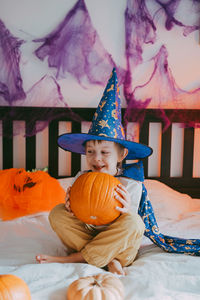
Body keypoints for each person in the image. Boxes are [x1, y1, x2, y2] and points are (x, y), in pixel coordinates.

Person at [36, 68, 153, 275]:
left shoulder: (131, 184)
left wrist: (127, 210)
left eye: (104, 152)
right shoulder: (82, 178)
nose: (96, 158)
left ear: (121, 155)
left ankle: (77, 258)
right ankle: (106, 260)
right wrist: (72, 208)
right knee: (57, 213)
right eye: (90, 151)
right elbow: (80, 217)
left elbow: (130, 224)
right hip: (89, 236)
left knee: (135, 223)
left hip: (120, 247)